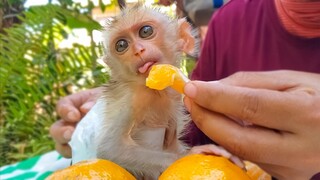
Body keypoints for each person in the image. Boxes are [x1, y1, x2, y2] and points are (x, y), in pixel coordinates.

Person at [50, 0, 320, 179]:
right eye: (122, 45)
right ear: (113, 67)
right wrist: (86, 128)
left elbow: (177, 144)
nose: (137, 49)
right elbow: (112, 151)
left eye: (146, 31)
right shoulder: (228, 21)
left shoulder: (180, 85)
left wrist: (182, 157)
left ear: (182, 39)